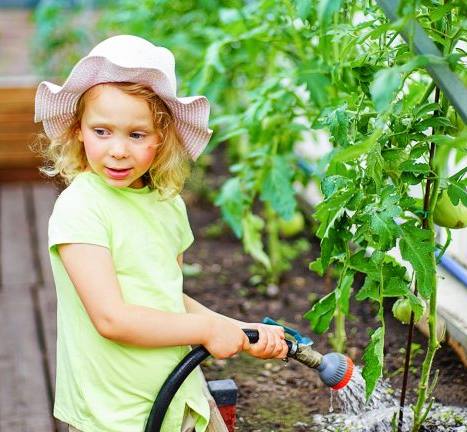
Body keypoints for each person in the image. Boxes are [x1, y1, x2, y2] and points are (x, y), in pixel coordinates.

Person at [34, 35, 288, 432]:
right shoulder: (81, 207)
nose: (118, 150)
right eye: (102, 131)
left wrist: (240, 331)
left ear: (161, 137)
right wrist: (208, 330)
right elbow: (111, 319)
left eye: (136, 135)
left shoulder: (168, 205)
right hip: (115, 411)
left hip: (180, 390)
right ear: (78, 130)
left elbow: (168, 297)